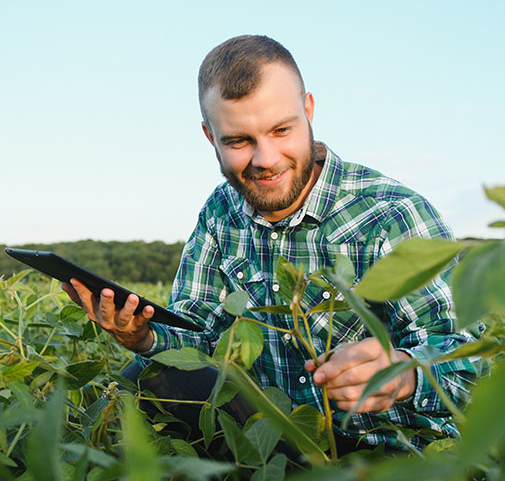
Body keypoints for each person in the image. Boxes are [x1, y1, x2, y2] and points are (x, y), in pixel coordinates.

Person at [62, 35, 483, 452]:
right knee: (144, 376)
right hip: (271, 437)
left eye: (282, 130)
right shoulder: (220, 213)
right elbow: (200, 334)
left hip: (387, 450)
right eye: (239, 141)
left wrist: (406, 373)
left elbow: (467, 363)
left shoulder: (392, 214)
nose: (266, 159)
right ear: (211, 137)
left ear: (309, 110)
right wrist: (143, 337)